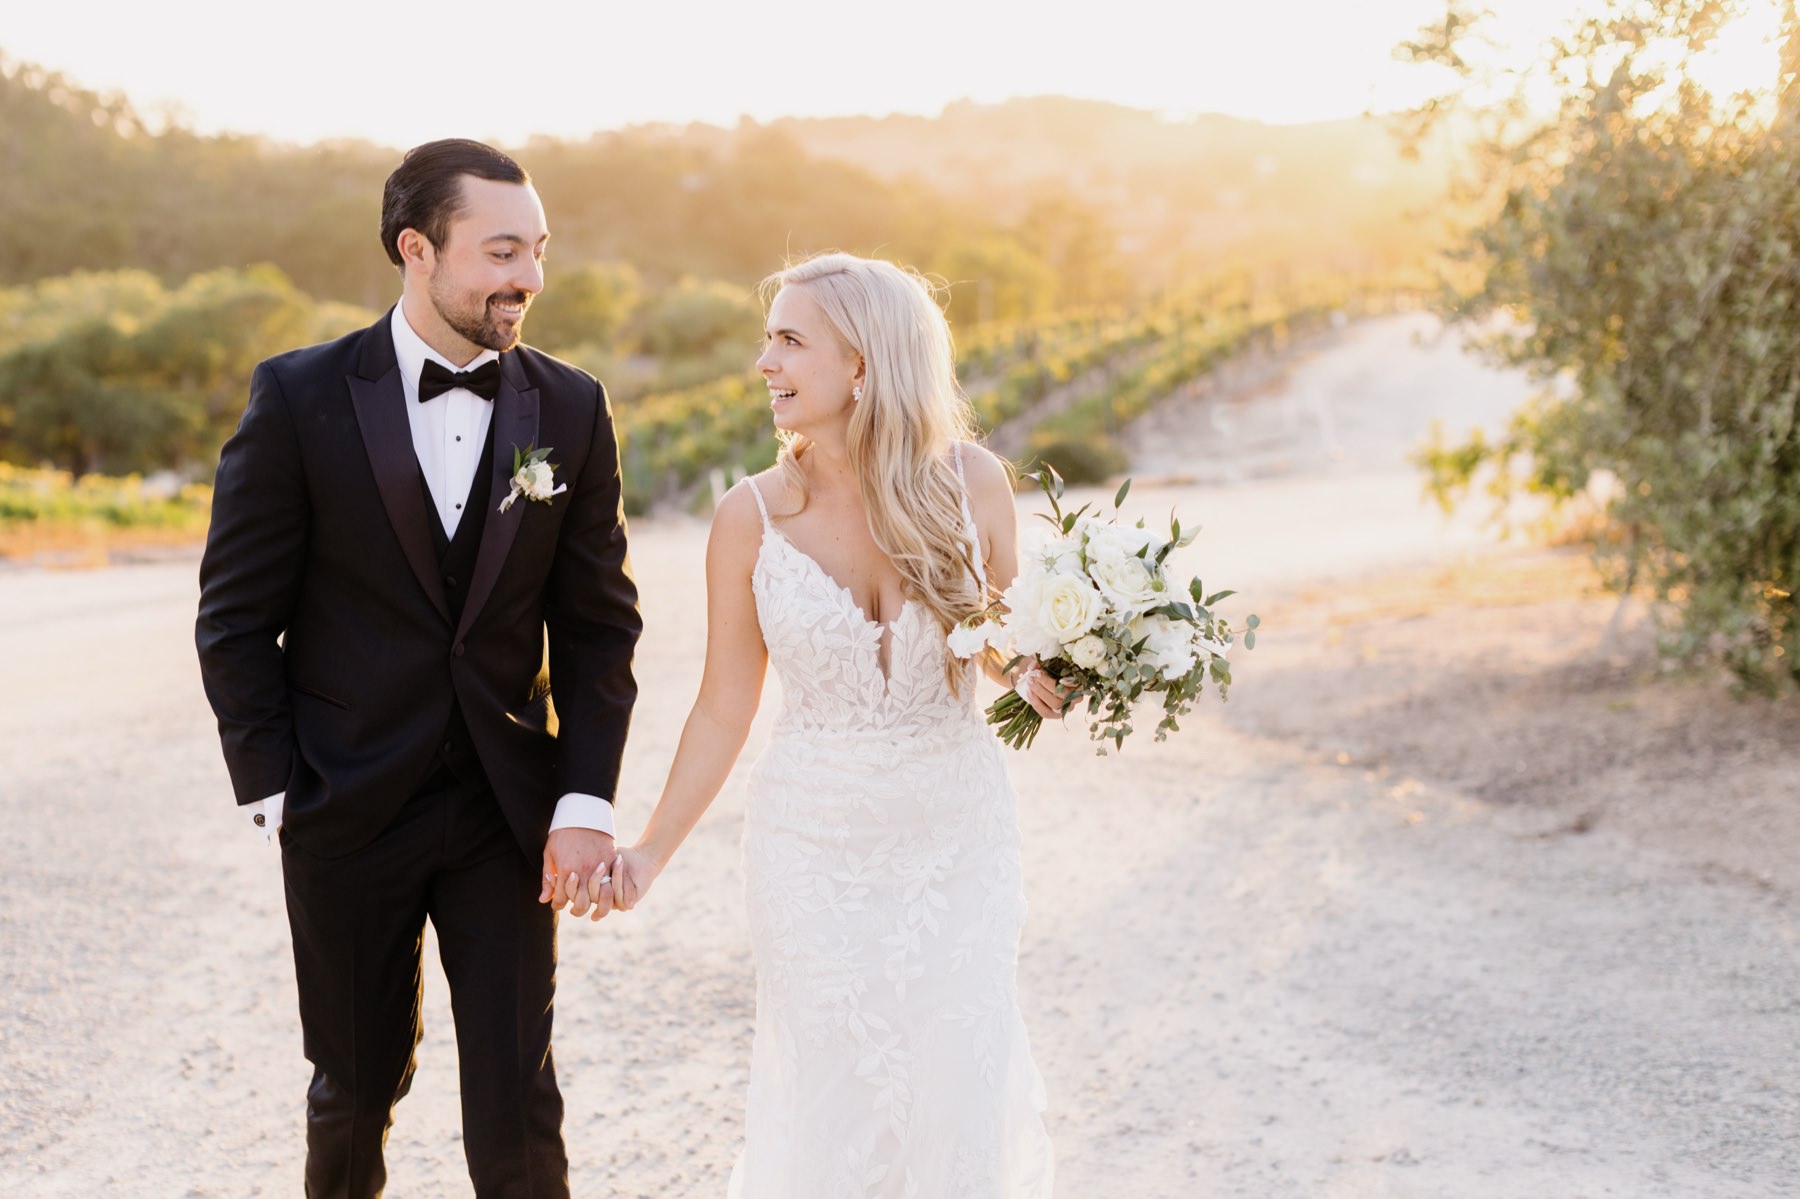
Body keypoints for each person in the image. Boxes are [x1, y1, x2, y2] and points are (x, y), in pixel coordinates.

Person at [194, 139, 640, 1198]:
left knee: (517, 1090)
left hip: (506, 808)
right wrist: (275, 789)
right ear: (415, 249)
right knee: (352, 1085)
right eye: (499, 251)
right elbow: (235, 613)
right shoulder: (299, 397)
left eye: (536, 251)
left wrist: (584, 795)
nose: (527, 277)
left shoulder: (571, 407)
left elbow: (597, 625)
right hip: (344, 802)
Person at [607, 252, 1063, 1195]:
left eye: (788, 340)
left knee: (958, 1079)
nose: (763, 361)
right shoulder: (749, 518)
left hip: (957, 833)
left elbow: (1002, 638)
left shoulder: (972, 483)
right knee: (832, 1093)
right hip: (811, 845)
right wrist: (650, 849)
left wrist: (1048, 671)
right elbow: (723, 706)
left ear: (862, 363)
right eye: (769, 338)